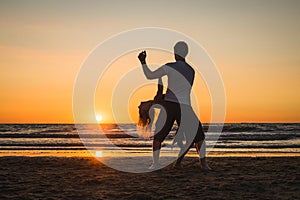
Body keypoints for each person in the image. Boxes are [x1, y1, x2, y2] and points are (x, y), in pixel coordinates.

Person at [138, 41, 211, 170]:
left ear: (175, 52)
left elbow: (150, 75)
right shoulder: (191, 71)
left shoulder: (170, 66)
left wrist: (143, 62)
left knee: (158, 137)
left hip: (170, 105)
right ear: (186, 53)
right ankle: (204, 165)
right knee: (199, 136)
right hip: (185, 106)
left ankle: (155, 164)